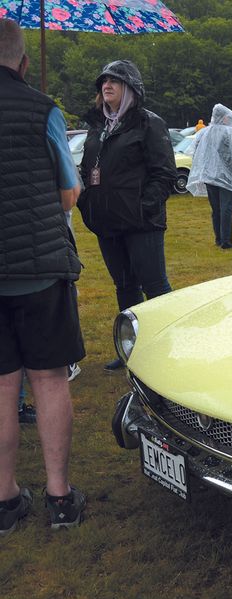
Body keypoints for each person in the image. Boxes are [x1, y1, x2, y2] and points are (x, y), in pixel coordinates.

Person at [0, 18, 87, 533]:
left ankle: (5, 499)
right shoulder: (43, 109)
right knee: (50, 380)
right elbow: (69, 194)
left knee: (1, 386)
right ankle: (59, 497)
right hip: (39, 271)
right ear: (25, 61)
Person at [77, 60, 177, 371]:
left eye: (115, 81)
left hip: (142, 224)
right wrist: (87, 201)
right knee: (124, 286)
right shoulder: (98, 126)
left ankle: (169, 350)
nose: (106, 85)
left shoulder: (148, 123)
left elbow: (165, 174)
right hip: (107, 223)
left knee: (155, 287)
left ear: (131, 88)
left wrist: (143, 208)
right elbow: (88, 169)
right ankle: (131, 348)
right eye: (104, 81)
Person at [186, 103, 232, 249]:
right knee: (226, 209)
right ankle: (226, 242)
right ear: (223, 118)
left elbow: (198, 154)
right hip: (225, 176)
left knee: (216, 210)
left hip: (210, 176)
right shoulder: (230, 133)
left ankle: (219, 239)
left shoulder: (204, 133)